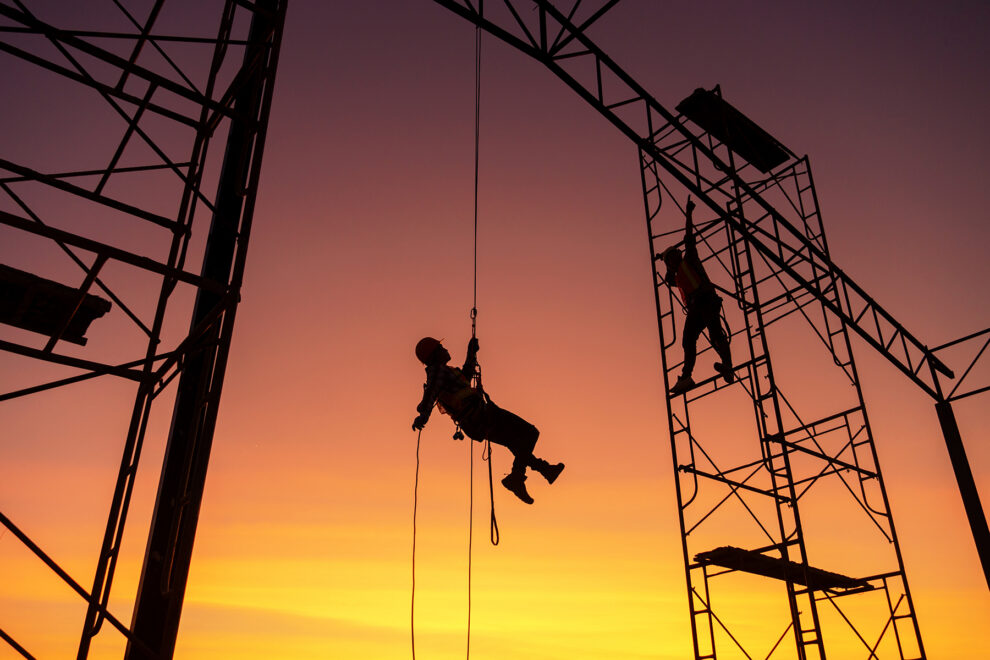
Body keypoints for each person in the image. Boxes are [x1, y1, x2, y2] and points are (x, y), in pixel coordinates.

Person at [411, 336, 564, 504]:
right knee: (530, 432)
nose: (445, 349)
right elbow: (431, 393)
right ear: (434, 354)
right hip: (481, 416)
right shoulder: (438, 372)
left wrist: (471, 352)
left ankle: (542, 471)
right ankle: (521, 477)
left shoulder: (446, 372)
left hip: (477, 420)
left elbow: (466, 376)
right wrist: (423, 415)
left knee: (517, 443)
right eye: (440, 347)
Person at [659, 197, 733, 395]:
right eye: (670, 259)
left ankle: (728, 365)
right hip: (695, 309)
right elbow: (670, 279)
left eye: (673, 256)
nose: (673, 259)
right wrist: (663, 262)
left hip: (706, 301)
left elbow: (689, 237)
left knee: (715, 333)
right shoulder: (677, 275)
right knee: (687, 340)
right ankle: (686, 377)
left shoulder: (689, 258)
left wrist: (689, 213)